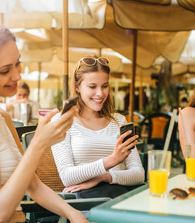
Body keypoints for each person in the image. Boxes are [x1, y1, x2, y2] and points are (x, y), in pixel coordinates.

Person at [0, 23, 156, 223]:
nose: (17, 76)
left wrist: (72, 214)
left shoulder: (2, 117)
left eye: (17, 64)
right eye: (5, 70)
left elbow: (35, 186)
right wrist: (39, 143)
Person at [51, 56, 145, 198]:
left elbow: (138, 174)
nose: (100, 93)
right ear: (77, 87)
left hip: (119, 197)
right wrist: (111, 160)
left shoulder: (119, 121)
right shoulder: (62, 121)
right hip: (85, 201)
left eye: (104, 86)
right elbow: (67, 177)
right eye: (92, 87)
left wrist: (104, 177)